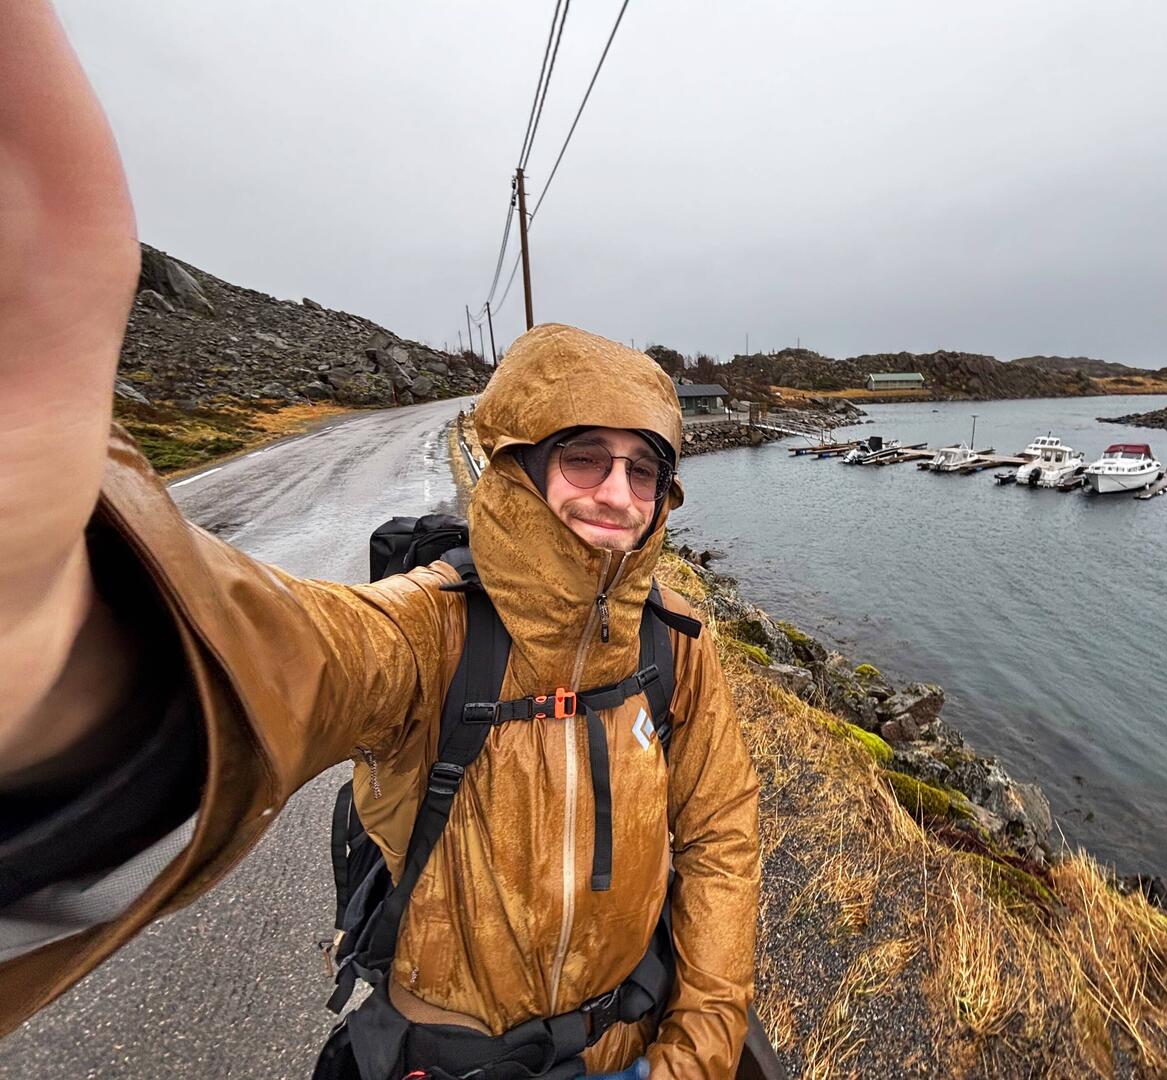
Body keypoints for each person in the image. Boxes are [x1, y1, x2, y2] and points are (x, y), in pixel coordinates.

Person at [0, 4, 761, 1077]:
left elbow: (722, 843)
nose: (619, 495)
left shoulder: (679, 652)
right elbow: (270, 664)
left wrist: (702, 1044)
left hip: (632, 1054)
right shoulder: (427, 636)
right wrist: (65, 652)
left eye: (646, 470)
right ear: (515, 471)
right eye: (585, 458)